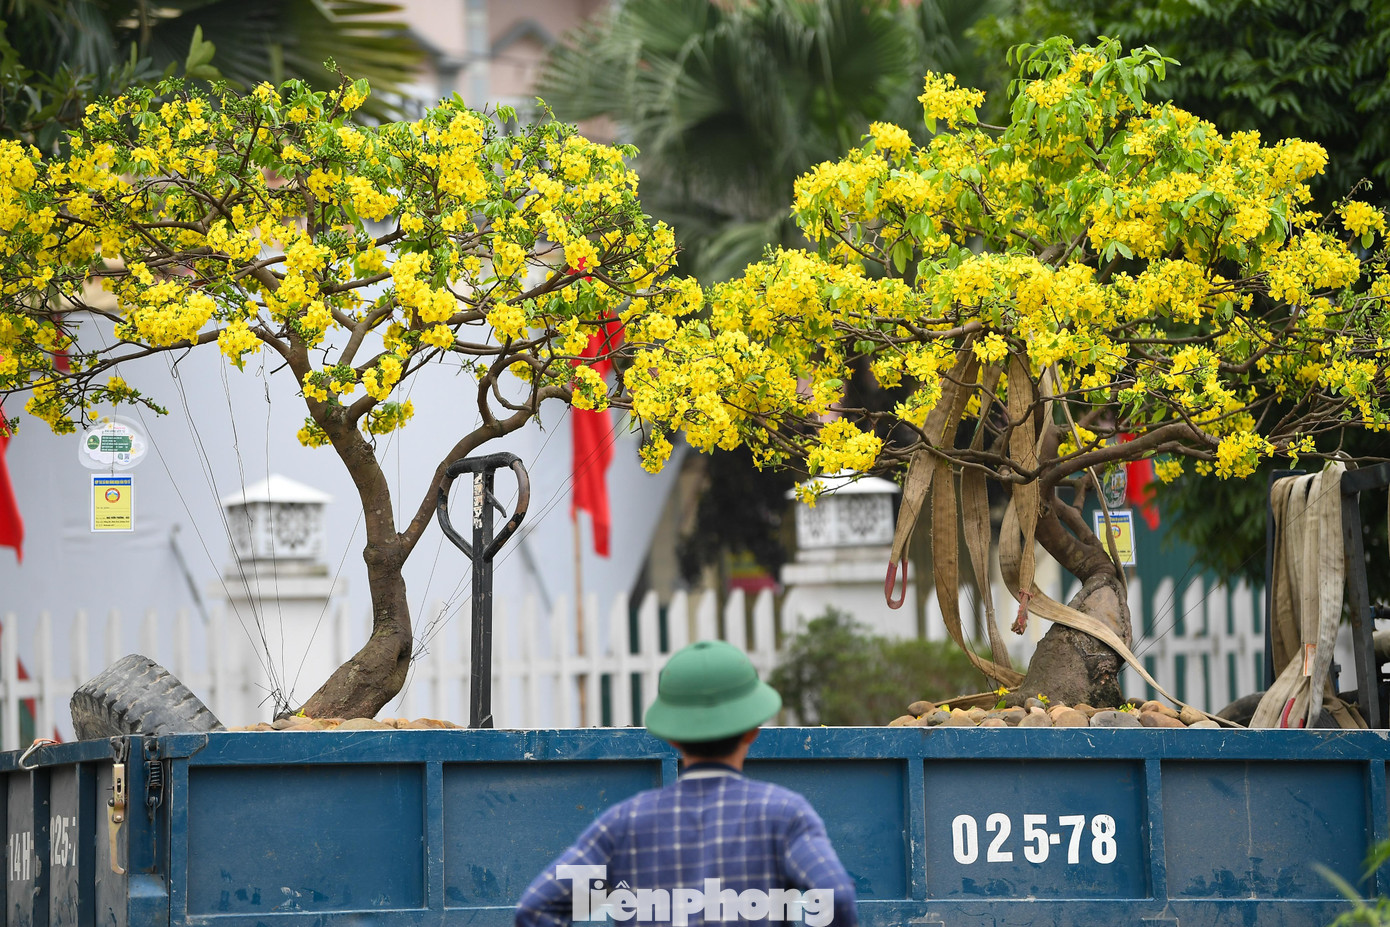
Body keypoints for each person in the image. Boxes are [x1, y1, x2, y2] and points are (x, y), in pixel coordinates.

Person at [515, 640, 858, 927]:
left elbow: (537, 908)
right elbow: (836, 897)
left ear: (673, 738)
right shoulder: (785, 815)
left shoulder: (623, 825)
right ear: (753, 730)